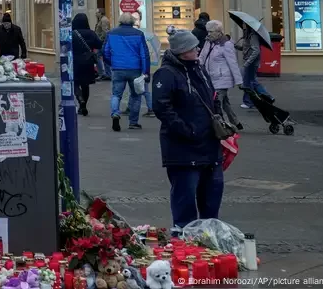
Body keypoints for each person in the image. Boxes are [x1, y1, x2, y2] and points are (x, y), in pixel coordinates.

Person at [152, 30, 224, 230]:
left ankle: (209, 241)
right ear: (183, 51)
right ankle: (184, 243)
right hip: (183, 149)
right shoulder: (166, 74)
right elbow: (161, 107)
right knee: (185, 203)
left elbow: (213, 96)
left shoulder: (199, 69)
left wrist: (218, 118)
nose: (198, 49)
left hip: (209, 146)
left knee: (211, 201)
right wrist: (187, 130)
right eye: (194, 47)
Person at [102, 13, 150, 132]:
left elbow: (106, 51)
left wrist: (112, 63)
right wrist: (145, 71)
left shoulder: (111, 33)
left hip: (118, 68)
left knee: (116, 94)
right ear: (132, 22)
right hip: (135, 69)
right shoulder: (139, 34)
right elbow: (144, 54)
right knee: (136, 95)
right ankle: (133, 122)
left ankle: (115, 113)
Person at [201, 20, 244, 131]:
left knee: (216, 103)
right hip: (210, 78)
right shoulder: (208, 42)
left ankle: (221, 126)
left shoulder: (226, 45)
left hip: (221, 79)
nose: (208, 34)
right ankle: (236, 122)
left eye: (211, 32)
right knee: (225, 103)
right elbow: (202, 57)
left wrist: (239, 81)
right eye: (208, 32)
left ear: (218, 32)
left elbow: (233, 63)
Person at [71, 13, 103, 116]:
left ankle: (80, 100)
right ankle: (83, 105)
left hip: (75, 60)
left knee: (75, 82)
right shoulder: (91, 33)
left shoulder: (72, 33)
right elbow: (99, 44)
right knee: (85, 84)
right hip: (88, 61)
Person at [236, 23, 269, 108]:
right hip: (249, 62)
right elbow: (246, 49)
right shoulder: (248, 36)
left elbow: (256, 51)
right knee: (252, 81)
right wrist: (237, 46)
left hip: (251, 63)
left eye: (244, 25)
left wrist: (247, 63)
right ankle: (266, 97)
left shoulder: (253, 36)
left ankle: (248, 102)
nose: (243, 27)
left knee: (247, 83)